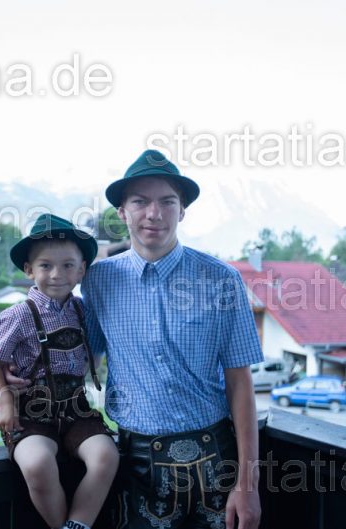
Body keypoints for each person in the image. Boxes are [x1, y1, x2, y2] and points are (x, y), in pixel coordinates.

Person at [81, 150, 262, 529]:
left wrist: (248, 483)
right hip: (134, 464)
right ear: (122, 212)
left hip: (216, 458)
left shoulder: (222, 280)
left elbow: (240, 383)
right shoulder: (98, 281)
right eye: (140, 202)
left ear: (182, 211)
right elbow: (83, 362)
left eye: (167, 201)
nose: (154, 213)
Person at [0, 213, 119, 529]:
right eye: (45, 265)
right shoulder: (18, 315)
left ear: (82, 270)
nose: (57, 274)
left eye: (68, 265)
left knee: (106, 456)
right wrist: (4, 401)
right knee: (38, 463)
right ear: (29, 270)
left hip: (76, 410)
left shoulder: (83, 310)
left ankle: (78, 524)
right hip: (30, 413)